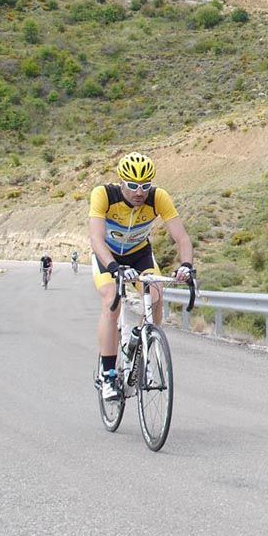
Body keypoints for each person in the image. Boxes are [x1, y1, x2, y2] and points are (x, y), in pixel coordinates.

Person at [89, 152, 195, 401]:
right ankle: (108, 373)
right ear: (121, 182)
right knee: (111, 299)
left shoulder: (159, 198)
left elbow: (182, 238)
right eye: (133, 186)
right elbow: (95, 238)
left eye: (145, 186)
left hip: (139, 255)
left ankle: (146, 345)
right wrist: (114, 267)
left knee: (156, 295)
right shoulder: (103, 195)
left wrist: (187, 265)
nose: (140, 192)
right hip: (109, 257)